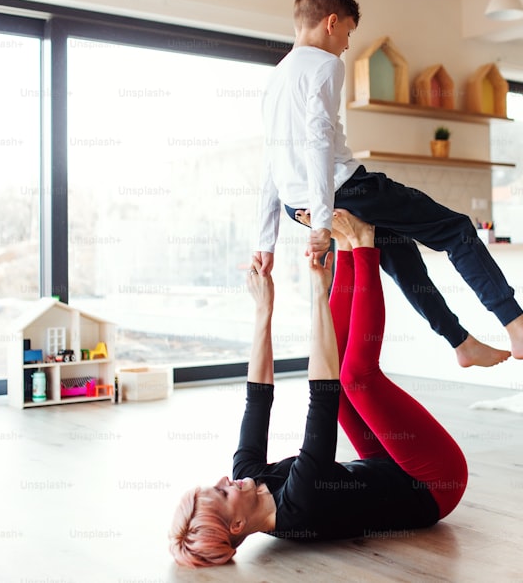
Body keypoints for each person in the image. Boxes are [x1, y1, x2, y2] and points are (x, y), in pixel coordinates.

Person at [255, 0, 523, 368]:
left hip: (297, 205)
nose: (346, 44)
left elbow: (270, 161)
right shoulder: (325, 65)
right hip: (343, 190)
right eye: (348, 32)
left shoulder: (276, 78)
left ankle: (460, 342)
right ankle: (521, 331)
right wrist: (324, 224)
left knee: (399, 251)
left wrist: (266, 241)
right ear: (331, 22)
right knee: (458, 230)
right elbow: (319, 144)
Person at [169, 210, 468, 567]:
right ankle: (364, 244)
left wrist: (264, 308)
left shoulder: (248, 480)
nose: (225, 479)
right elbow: (322, 391)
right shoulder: (303, 501)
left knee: (344, 393)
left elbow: (257, 399)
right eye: (221, 492)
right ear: (237, 523)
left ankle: (345, 246)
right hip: (434, 483)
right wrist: (318, 288)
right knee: (356, 380)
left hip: (383, 465)